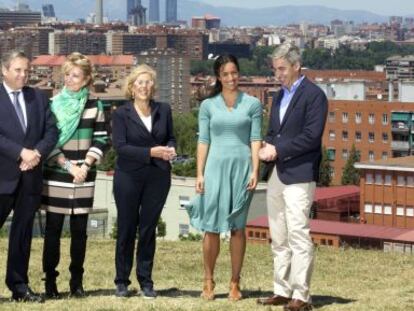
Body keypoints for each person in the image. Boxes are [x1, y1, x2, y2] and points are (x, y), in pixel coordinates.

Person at [256, 42, 328, 311]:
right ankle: (281, 290)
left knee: (298, 233)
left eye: (282, 69)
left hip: (299, 174)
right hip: (277, 173)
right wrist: (266, 146)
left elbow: (311, 138)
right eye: (275, 70)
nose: (278, 75)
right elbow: (274, 131)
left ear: (297, 66)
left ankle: (302, 295)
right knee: (278, 234)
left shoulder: (315, 96)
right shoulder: (278, 96)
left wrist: (277, 149)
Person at [186, 55, 262, 301]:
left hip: (242, 170)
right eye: (226, 74)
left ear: (239, 74)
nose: (231, 78)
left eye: (234, 73)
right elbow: (203, 140)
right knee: (211, 228)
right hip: (214, 170)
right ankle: (208, 280)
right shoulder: (208, 106)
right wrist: (199, 173)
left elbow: (255, 139)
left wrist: (255, 169)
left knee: (238, 229)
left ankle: (235, 282)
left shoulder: (252, 104)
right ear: (219, 76)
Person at [41, 52, 108, 299]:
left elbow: (101, 139)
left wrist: (86, 165)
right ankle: (50, 282)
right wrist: (69, 166)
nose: (70, 79)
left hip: (84, 177)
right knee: (53, 230)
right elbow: (47, 139)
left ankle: (76, 282)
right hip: (57, 173)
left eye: (75, 75)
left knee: (80, 231)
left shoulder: (95, 106)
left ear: (87, 79)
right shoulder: (53, 104)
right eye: (67, 74)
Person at [112, 64, 176, 298]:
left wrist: (171, 150)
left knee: (148, 229)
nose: (144, 87)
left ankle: (146, 280)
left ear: (153, 86)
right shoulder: (121, 113)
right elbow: (120, 147)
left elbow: (170, 137)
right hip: (128, 176)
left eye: (148, 82)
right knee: (127, 228)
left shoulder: (164, 110)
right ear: (132, 86)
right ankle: (121, 280)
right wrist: (152, 152)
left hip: (157, 177)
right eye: (140, 82)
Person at [0, 51, 58, 302]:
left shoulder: (38, 97)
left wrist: (35, 154)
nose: (24, 75)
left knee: (22, 234)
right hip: (2, 177)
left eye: (26, 71)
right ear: (4, 70)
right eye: (18, 70)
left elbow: (52, 131)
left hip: (30, 179)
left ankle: (19, 286)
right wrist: (20, 152)